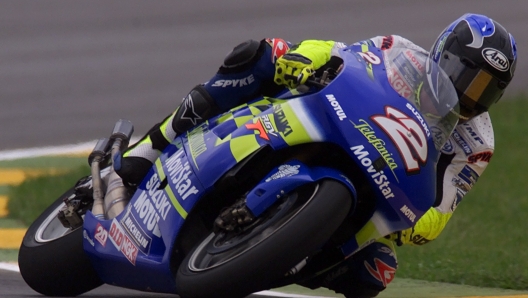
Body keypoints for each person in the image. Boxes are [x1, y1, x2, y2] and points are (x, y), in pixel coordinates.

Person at [114, 13, 517, 298]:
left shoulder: (477, 143)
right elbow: (348, 56)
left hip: (380, 187)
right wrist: (304, 60)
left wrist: (414, 221)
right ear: (443, 52)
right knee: (253, 57)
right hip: (329, 122)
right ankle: (150, 148)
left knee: (377, 270)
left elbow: (441, 209)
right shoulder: (401, 52)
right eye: (468, 75)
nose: (471, 93)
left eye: (487, 89)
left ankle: (281, 256)